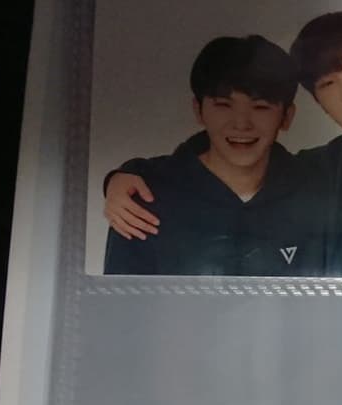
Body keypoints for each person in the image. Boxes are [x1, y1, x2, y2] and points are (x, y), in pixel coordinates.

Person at [105, 11, 342, 279]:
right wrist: (124, 177)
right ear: (315, 100)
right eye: (328, 83)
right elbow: (227, 159)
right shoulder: (324, 166)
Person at [103, 35, 326, 276]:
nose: (241, 124)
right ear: (198, 110)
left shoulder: (314, 194)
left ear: (286, 117)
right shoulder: (145, 196)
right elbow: (120, 297)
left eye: (260, 107)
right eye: (223, 105)